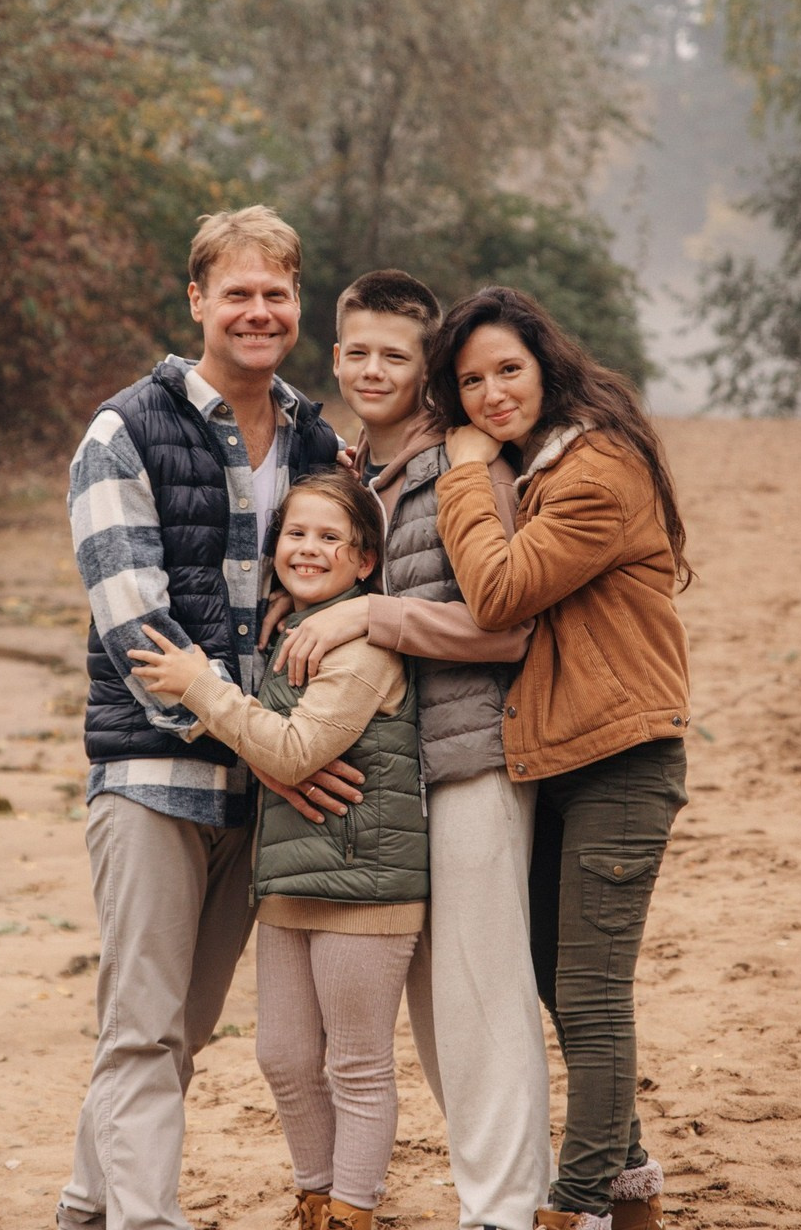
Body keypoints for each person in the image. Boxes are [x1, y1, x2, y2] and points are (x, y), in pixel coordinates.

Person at [57, 205, 341, 1230]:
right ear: (196, 301)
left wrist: (284, 743)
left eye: (275, 292)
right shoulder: (121, 430)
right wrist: (261, 738)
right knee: (142, 1026)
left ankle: (85, 1204)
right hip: (152, 775)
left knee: (180, 1025)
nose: (257, 311)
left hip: (259, 785)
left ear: (295, 303)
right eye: (237, 292)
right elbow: (138, 631)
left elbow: (334, 594)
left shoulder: (317, 436)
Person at [276, 270, 552, 1230]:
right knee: (435, 1011)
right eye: (355, 351)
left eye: (396, 353)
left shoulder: (462, 471)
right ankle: (514, 1194)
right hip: (398, 783)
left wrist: (375, 614)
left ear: (427, 362)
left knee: (482, 995)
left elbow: (505, 626)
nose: (371, 368)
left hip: (473, 756)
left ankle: (508, 1209)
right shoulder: (359, 475)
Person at [427, 286, 692, 1230]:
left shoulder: (594, 469)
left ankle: (575, 1205)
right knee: (554, 976)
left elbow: (497, 592)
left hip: (623, 756)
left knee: (590, 992)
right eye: (471, 384)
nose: (494, 394)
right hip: (564, 758)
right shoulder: (540, 463)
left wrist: (461, 469)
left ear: (546, 365)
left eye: (509, 370)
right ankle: (630, 1187)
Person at [128, 469, 426, 1230]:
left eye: (331, 538)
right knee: (285, 1058)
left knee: (355, 1064)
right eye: (296, 533)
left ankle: (352, 1211)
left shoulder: (362, 647)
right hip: (291, 872)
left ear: (365, 562)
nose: (309, 548)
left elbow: (293, 753)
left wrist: (200, 684)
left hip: (367, 882)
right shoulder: (292, 628)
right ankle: (316, 1196)